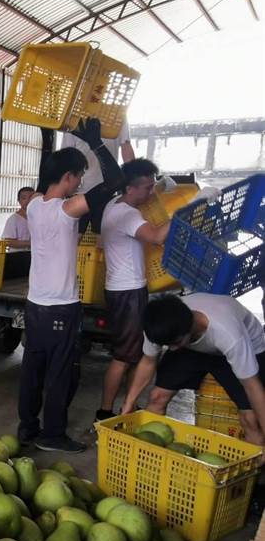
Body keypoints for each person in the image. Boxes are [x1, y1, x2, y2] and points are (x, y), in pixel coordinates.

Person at [17, 118, 123, 454]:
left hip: (35, 306)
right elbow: (117, 181)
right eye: (77, 176)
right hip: (61, 306)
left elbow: (43, 181)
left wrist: (52, 139)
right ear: (68, 177)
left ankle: (27, 428)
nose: (79, 183)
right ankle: (52, 434)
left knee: (33, 369)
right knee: (62, 373)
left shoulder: (33, 204)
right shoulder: (68, 210)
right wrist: (97, 144)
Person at [121, 294, 265, 445]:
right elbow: (148, 362)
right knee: (157, 397)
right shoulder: (161, 323)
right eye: (167, 345)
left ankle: (256, 460)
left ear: (190, 326)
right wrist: (130, 401)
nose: (172, 349)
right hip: (192, 344)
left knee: (251, 419)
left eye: (175, 343)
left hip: (245, 346)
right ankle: (148, 453)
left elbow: (253, 387)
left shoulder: (229, 336)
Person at [96, 159, 171, 421]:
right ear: (130, 188)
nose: (151, 193)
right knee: (124, 356)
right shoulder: (127, 214)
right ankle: (104, 413)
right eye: (148, 187)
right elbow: (158, 236)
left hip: (122, 288)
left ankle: (126, 406)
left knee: (132, 353)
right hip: (127, 292)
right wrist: (189, 208)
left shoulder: (113, 204)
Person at [60, 122, 134, 192]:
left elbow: (126, 148)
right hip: (80, 187)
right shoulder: (74, 117)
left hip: (110, 185)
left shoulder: (118, 115)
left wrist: (133, 181)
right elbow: (67, 156)